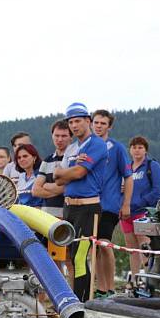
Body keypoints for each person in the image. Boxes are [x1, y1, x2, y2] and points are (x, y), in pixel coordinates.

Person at [53, 102, 108, 301]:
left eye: (78, 121)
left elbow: (79, 172)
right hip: (69, 207)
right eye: (71, 122)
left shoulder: (97, 144)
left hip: (88, 209)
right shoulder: (72, 148)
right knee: (68, 254)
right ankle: (75, 298)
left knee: (79, 255)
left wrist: (66, 171)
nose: (74, 125)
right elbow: (58, 178)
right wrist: (63, 172)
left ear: (88, 121)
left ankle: (81, 301)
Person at [91, 109, 133, 298]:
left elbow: (128, 177)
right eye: (96, 122)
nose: (98, 126)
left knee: (106, 245)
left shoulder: (116, 148)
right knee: (96, 248)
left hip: (109, 205)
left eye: (103, 123)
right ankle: (101, 288)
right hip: (90, 204)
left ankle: (110, 288)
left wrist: (126, 204)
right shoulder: (88, 146)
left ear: (109, 126)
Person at [122, 136, 160, 279]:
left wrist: (140, 202)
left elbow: (158, 190)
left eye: (140, 147)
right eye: (134, 147)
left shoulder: (152, 166)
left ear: (146, 150)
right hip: (126, 214)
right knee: (131, 249)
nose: (137, 150)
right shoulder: (126, 167)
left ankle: (149, 280)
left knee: (145, 248)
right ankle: (134, 281)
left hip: (144, 213)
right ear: (130, 150)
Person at [32, 120, 72, 218]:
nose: (60, 139)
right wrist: (59, 189)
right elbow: (35, 190)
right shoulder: (47, 160)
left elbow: (69, 188)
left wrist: (46, 186)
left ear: (71, 137)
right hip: (48, 217)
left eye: (64, 136)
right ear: (52, 136)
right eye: (57, 135)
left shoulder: (74, 158)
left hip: (68, 215)